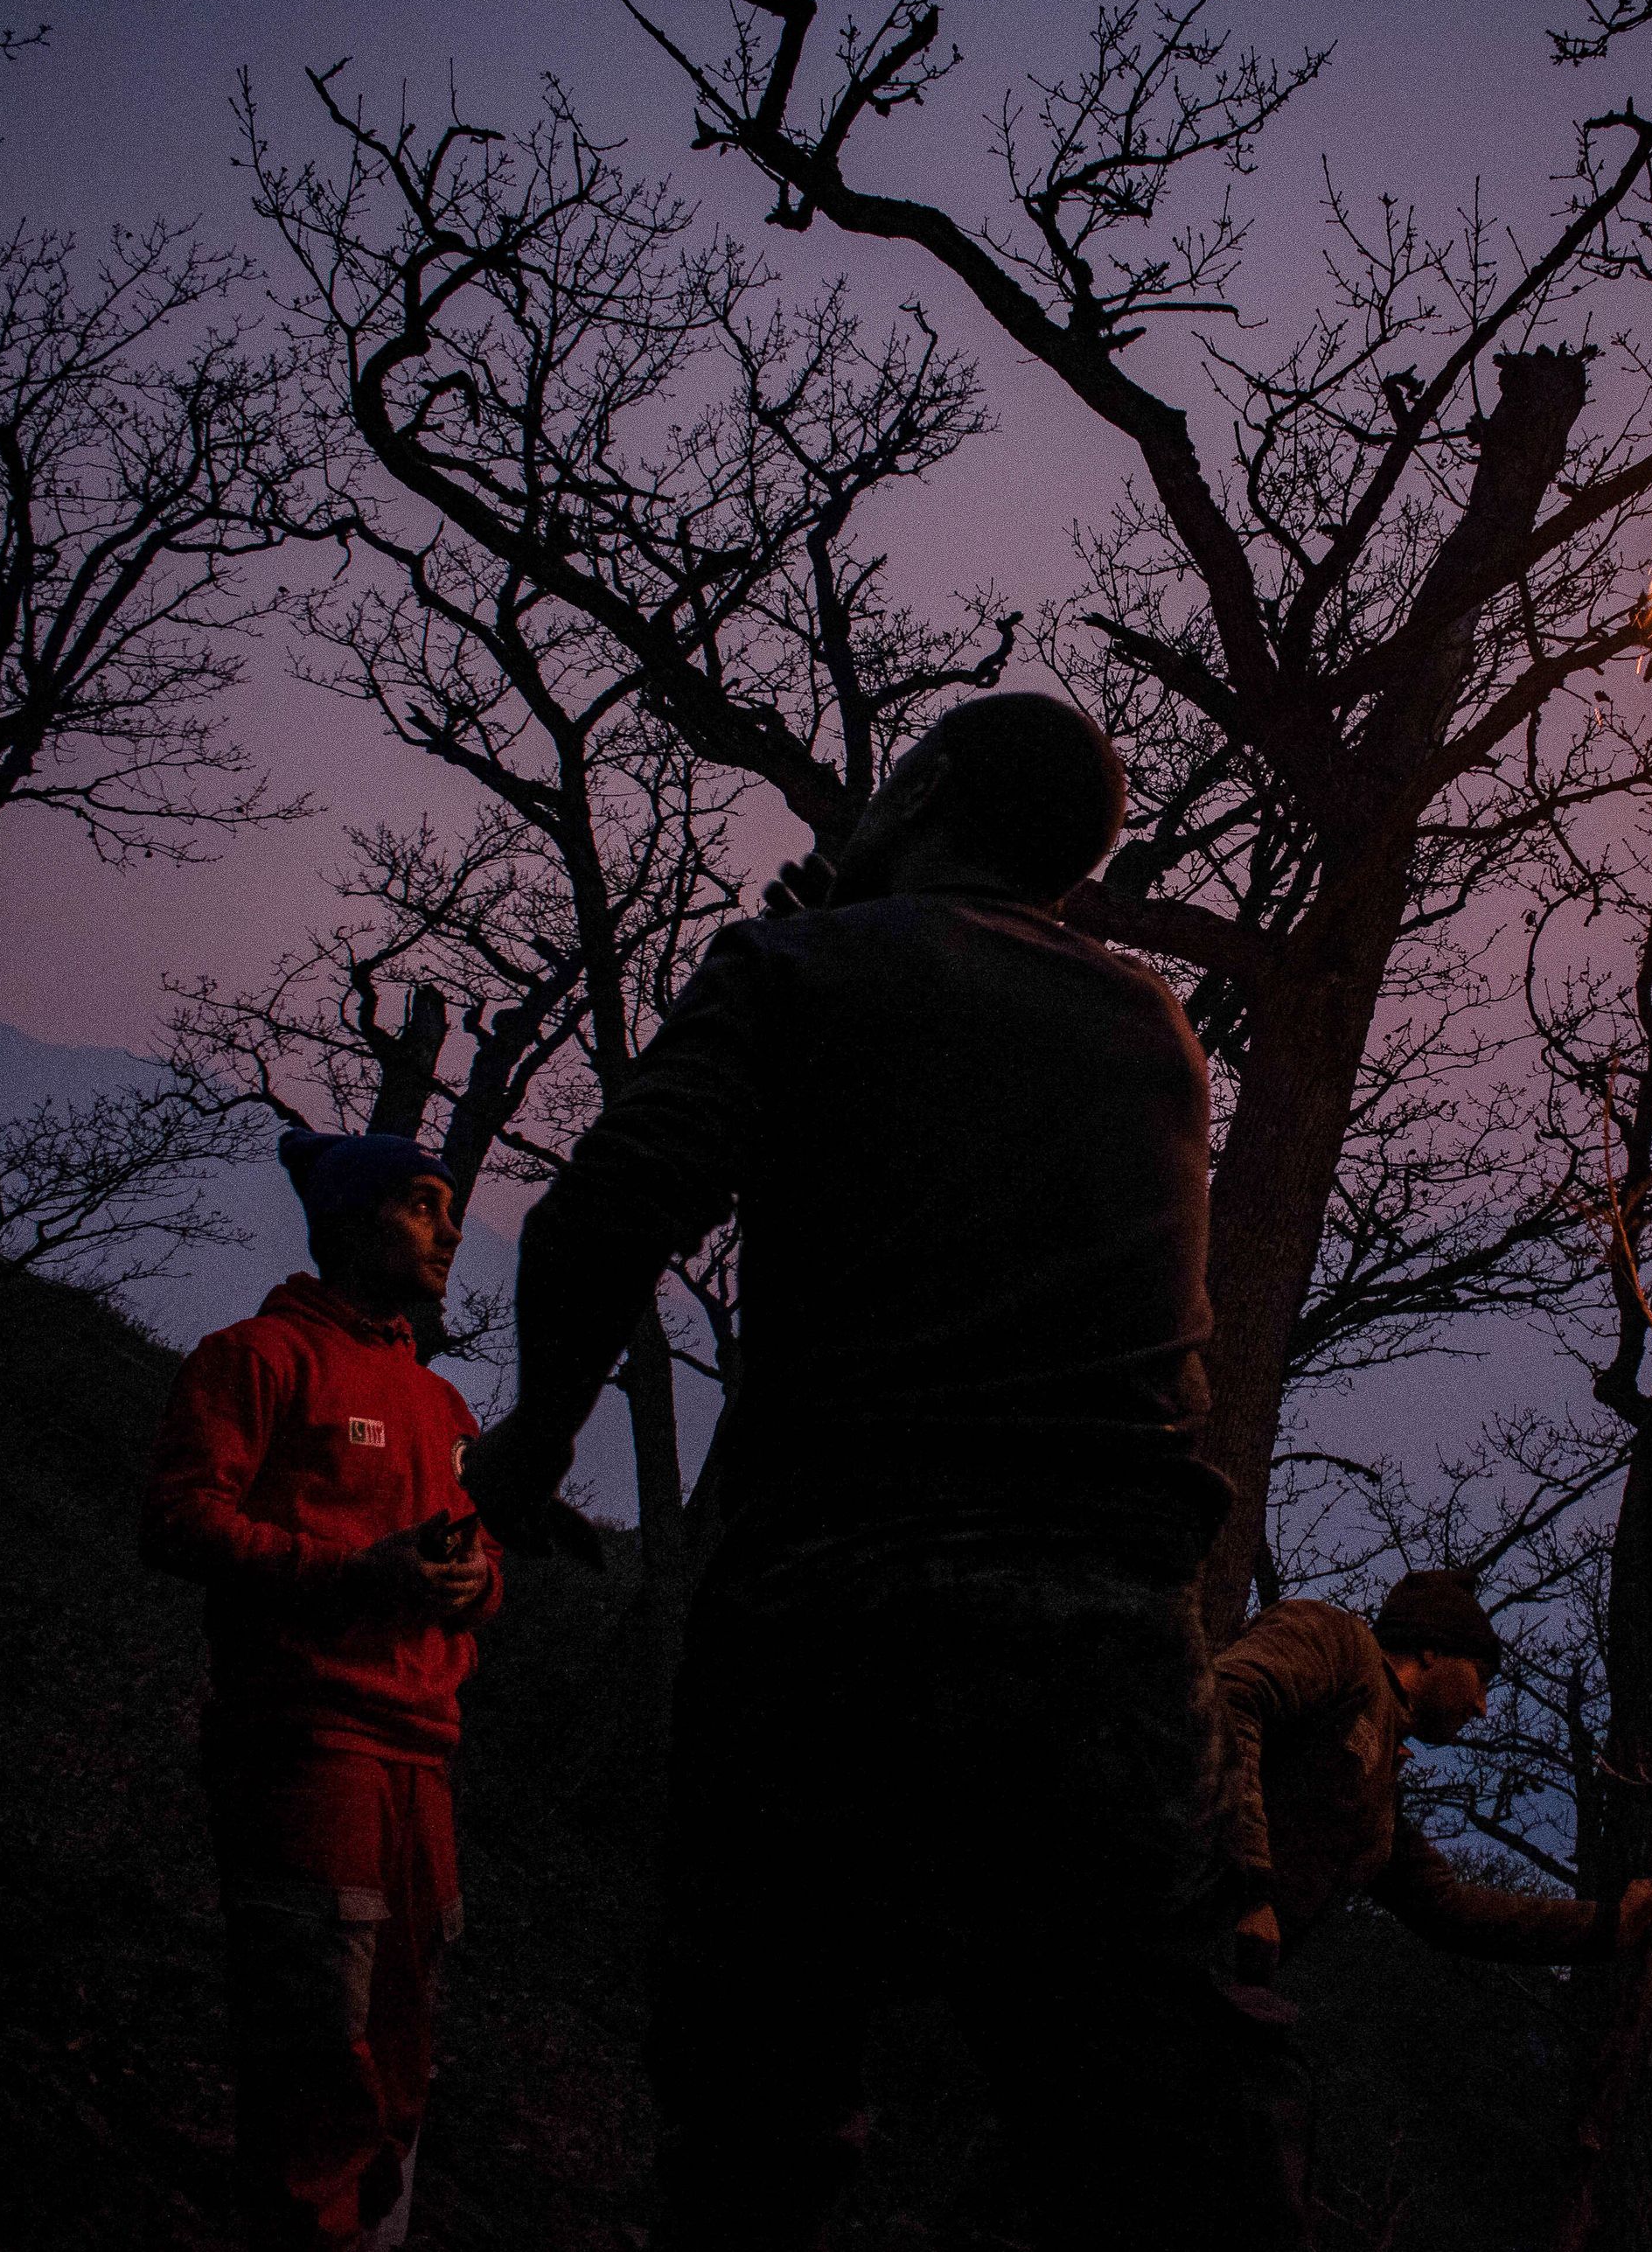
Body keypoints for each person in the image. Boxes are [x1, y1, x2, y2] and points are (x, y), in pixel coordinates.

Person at [467, 690, 1294, 2249]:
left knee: (758, 2122)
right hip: (1115, 1652)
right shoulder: (1158, 1029)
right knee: (1155, 2139)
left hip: (835, 1615)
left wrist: (528, 1446)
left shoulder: (798, 969)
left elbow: (603, 1213)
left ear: (921, 791)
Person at [143, 1129, 553, 2252]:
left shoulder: (444, 1406)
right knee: (317, 2041)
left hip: (423, 1753)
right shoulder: (256, 1357)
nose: (450, 1231)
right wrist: (348, 1573)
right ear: (349, 1220)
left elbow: (480, 1561)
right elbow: (178, 1518)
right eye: (422, 1205)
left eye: (451, 1208)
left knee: (403, 2037)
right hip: (306, 1739)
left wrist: (473, 1584)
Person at [1216, 1567, 1652, 1984]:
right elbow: (1227, 1701)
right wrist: (1251, 1893)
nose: (1482, 1706)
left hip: (1217, 1981)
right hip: (1180, 1924)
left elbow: (1446, 1908)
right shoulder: (1338, 1642)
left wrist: (1609, 1926)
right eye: (1480, 1677)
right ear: (1431, 1650)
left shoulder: (1377, 1804)